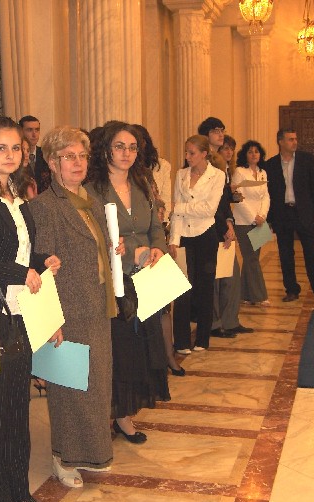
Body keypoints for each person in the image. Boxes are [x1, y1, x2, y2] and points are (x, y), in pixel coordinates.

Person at [0, 117, 60, 502]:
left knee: (17, 405)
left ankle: (18, 487)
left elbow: (21, 251)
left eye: (16, 148)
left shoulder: (19, 195)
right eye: (0, 148)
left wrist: (42, 260)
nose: (9, 155)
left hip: (20, 310)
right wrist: (19, 271)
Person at [30, 125, 122, 488]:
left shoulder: (91, 201)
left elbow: (95, 249)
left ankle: (92, 453)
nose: (78, 162)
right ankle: (64, 457)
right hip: (68, 309)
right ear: (52, 163)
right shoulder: (44, 207)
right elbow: (43, 267)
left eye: (82, 155)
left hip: (96, 304)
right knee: (69, 388)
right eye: (69, 156)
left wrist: (112, 250)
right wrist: (50, 318)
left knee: (95, 386)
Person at [86, 120, 170, 443]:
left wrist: (158, 249)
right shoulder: (93, 189)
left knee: (139, 351)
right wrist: (130, 253)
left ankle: (125, 415)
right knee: (117, 352)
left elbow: (156, 228)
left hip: (144, 279)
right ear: (106, 149)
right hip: (111, 282)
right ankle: (108, 414)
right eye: (119, 146)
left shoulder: (141, 184)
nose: (127, 153)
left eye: (132, 147)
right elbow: (94, 239)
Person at [133, 124, 183, 376]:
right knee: (142, 310)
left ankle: (169, 356)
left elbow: (160, 205)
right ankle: (151, 361)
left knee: (163, 306)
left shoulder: (148, 173)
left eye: (136, 145)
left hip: (155, 242)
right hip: (132, 251)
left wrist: (162, 240)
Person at [266, 128, 314, 305]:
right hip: (282, 214)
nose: (295, 142)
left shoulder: (306, 159)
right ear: (280, 142)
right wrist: (269, 219)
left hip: (304, 213)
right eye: (290, 139)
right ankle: (291, 290)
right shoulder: (271, 164)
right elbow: (269, 194)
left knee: (312, 254)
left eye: (295, 139)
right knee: (285, 255)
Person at [198, 119, 253, 338]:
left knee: (230, 275)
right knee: (214, 278)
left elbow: (222, 200)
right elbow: (208, 202)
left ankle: (230, 320)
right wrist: (225, 225)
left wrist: (229, 220)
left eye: (222, 130)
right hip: (209, 226)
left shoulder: (222, 163)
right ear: (206, 135)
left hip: (223, 223)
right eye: (215, 131)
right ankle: (214, 323)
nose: (220, 134)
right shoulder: (201, 161)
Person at [169, 134, 224, 352]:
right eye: (186, 152)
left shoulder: (217, 176)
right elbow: (175, 214)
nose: (187, 156)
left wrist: (178, 207)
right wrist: (173, 240)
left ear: (204, 154)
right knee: (182, 289)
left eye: (192, 153)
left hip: (206, 235)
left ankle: (202, 338)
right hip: (184, 235)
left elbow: (209, 209)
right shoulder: (181, 174)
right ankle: (181, 341)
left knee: (204, 287)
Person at [231, 140, 270, 306]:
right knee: (251, 258)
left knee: (252, 259)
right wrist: (254, 217)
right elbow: (238, 197)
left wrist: (262, 215)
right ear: (245, 155)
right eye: (250, 152)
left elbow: (266, 196)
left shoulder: (263, 173)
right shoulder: (240, 172)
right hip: (244, 221)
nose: (254, 154)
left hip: (260, 222)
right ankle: (260, 296)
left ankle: (245, 295)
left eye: (256, 151)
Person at [19, 115, 50, 193]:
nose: (34, 134)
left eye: (37, 130)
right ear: (21, 131)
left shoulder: (46, 154)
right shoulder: (16, 157)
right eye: (29, 130)